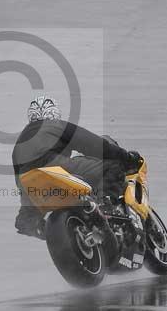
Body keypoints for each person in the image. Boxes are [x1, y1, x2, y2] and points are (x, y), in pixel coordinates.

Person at [12, 95, 142, 238]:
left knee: (30, 211)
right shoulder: (55, 125)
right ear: (54, 113)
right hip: (52, 167)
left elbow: (20, 181)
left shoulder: (20, 141)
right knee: (113, 167)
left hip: (28, 182)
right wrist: (125, 157)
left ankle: (33, 223)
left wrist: (28, 209)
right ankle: (107, 208)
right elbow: (91, 144)